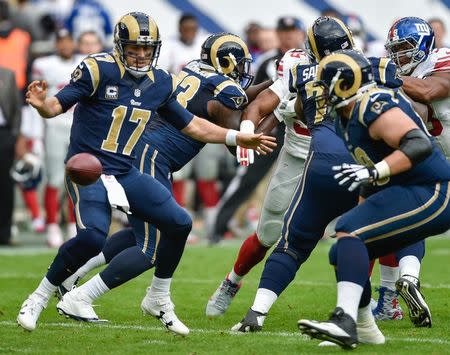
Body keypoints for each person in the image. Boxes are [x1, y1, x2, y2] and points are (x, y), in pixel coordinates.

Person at [16, 12, 275, 333]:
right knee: (134, 242)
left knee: (171, 226)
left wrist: (258, 110)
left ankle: (134, 291)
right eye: (134, 48)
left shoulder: (169, 77)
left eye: (147, 48)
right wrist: (42, 105)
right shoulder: (101, 68)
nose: (141, 55)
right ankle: (64, 295)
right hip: (120, 161)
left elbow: (194, 123)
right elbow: (57, 105)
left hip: (133, 161)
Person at [228, 18, 403, 347]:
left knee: (295, 242)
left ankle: (257, 311)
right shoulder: (371, 67)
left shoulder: (304, 74)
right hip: (360, 162)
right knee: (362, 237)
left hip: (323, 164)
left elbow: (287, 106)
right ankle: (366, 311)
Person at [298, 49, 450, 349]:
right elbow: (371, 183)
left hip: (432, 190)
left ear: (343, 84)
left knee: (350, 231)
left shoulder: (372, 104)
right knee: (342, 251)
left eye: (324, 84)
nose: (320, 92)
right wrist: (356, 220)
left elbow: (418, 145)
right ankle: (365, 327)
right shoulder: (346, 118)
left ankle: (344, 320)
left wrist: (374, 171)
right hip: (406, 190)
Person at [206, 48, 312, 316]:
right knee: (268, 232)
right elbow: (264, 106)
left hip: (339, 158)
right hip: (297, 154)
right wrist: (247, 134)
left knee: (362, 229)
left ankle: (377, 298)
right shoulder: (295, 64)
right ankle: (232, 282)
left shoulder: (353, 68)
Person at [370, 16, 450, 326]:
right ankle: (406, 282)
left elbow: (429, 91)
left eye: (403, 49)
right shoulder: (403, 75)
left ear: (423, 46)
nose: (397, 56)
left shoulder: (442, 60)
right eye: (394, 50)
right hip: (432, 157)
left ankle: (397, 289)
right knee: (406, 216)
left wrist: (383, 74)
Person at [31, 28, 84, 247]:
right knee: (54, 179)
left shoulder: (84, 63)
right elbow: (35, 98)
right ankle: (52, 225)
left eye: (68, 41)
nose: (65, 46)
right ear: (56, 44)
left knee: (78, 178)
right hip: (53, 126)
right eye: (61, 42)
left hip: (79, 127)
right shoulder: (45, 65)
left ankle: (72, 223)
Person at [0, 66, 22, 245]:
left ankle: (4, 233)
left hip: (3, 134)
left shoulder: (7, 74)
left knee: (5, 185)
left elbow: (16, 107)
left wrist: (13, 134)